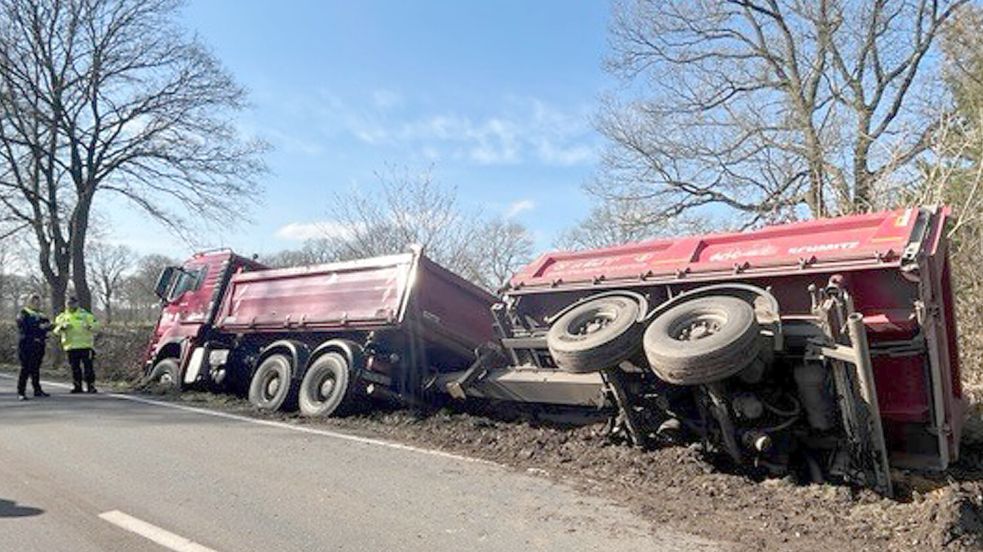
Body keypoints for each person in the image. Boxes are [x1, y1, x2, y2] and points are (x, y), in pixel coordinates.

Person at [53, 296, 100, 394]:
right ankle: (77, 386)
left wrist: (89, 326)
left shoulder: (85, 315)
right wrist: (62, 328)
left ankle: (90, 386)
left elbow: (97, 326)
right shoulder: (62, 317)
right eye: (68, 303)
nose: (70, 305)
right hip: (70, 346)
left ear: (77, 304)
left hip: (85, 346)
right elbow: (56, 330)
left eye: (72, 303)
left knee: (88, 367)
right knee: (75, 368)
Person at [16, 294, 51, 400]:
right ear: (29, 302)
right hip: (27, 344)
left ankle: (37, 390)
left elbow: (47, 325)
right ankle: (21, 392)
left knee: (36, 368)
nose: (36, 303)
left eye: (38, 301)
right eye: (34, 301)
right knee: (25, 368)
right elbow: (22, 326)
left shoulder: (41, 314)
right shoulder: (24, 313)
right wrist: (38, 326)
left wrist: (48, 327)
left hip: (39, 344)